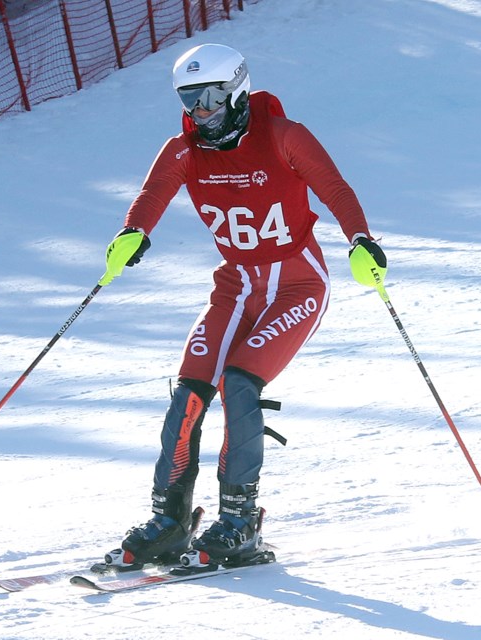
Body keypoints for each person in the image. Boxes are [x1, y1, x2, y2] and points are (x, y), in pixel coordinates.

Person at [99, 43, 386, 566]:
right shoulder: (184, 149)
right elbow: (154, 192)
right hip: (237, 287)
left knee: (238, 384)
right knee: (189, 392)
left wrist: (360, 240)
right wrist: (133, 232)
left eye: (209, 97)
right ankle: (169, 519)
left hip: (297, 285)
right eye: (189, 99)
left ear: (234, 89)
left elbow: (335, 188)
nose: (199, 111)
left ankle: (239, 521)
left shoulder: (283, 137)